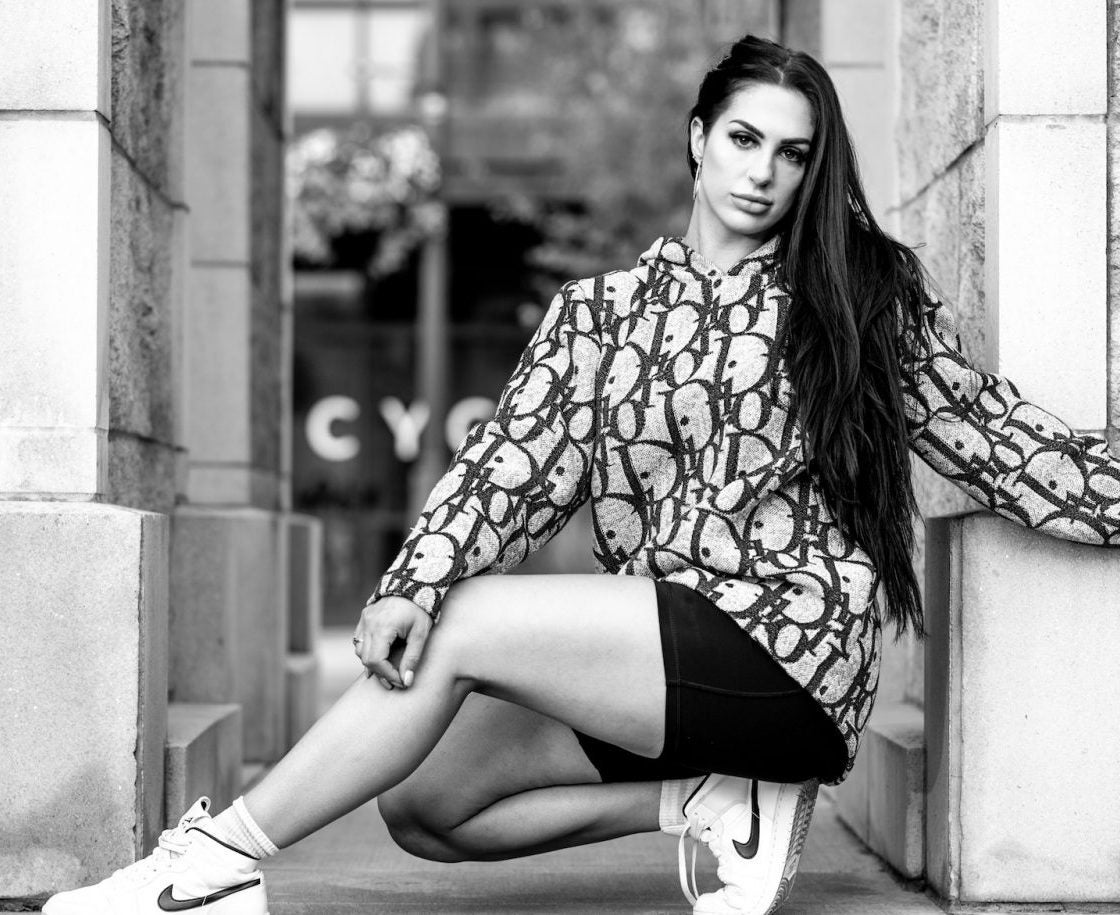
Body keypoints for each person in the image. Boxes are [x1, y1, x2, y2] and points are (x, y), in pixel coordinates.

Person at [44, 32, 1120, 915]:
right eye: (743, 139)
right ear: (698, 138)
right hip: (658, 656)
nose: (762, 172)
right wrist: (412, 582)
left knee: (468, 623)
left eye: (792, 154)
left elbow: (995, 437)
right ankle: (706, 801)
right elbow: (505, 469)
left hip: (788, 647)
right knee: (426, 812)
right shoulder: (598, 315)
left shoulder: (850, 300)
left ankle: (210, 867)